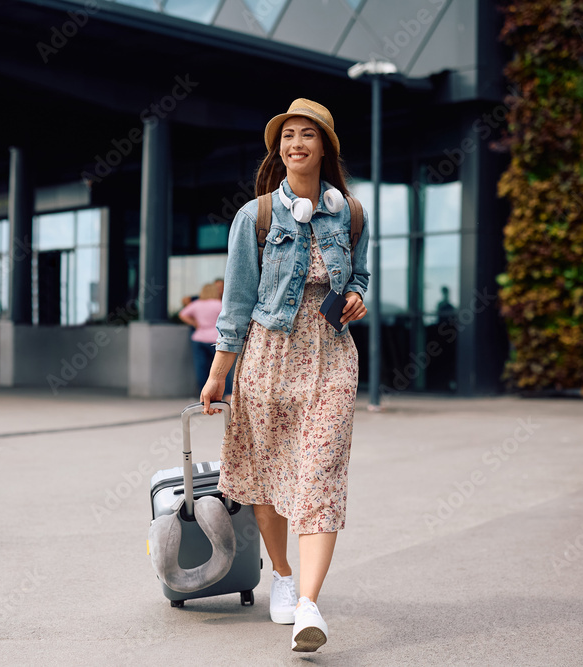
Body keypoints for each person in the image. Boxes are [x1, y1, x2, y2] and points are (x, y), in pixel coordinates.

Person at [200, 99, 370, 652]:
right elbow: (237, 300)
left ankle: (308, 606)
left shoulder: (352, 213)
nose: (296, 144)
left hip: (332, 356)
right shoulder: (257, 215)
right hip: (268, 353)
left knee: (319, 473)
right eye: (287, 136)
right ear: (279, 150)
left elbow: (361, 271)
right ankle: (281, 573)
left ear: (325, 147)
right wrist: (219, 373)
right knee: (271, 474)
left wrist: (358, 294)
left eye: (307, 135)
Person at [179, 283, 232, 400]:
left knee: (201, 367)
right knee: (222, 367)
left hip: (198, 338)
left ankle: (204, 394)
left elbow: (182, 314)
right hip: (215, 339)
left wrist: (195, 324)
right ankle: (227, 393)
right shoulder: (219, 304)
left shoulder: (196, 304)